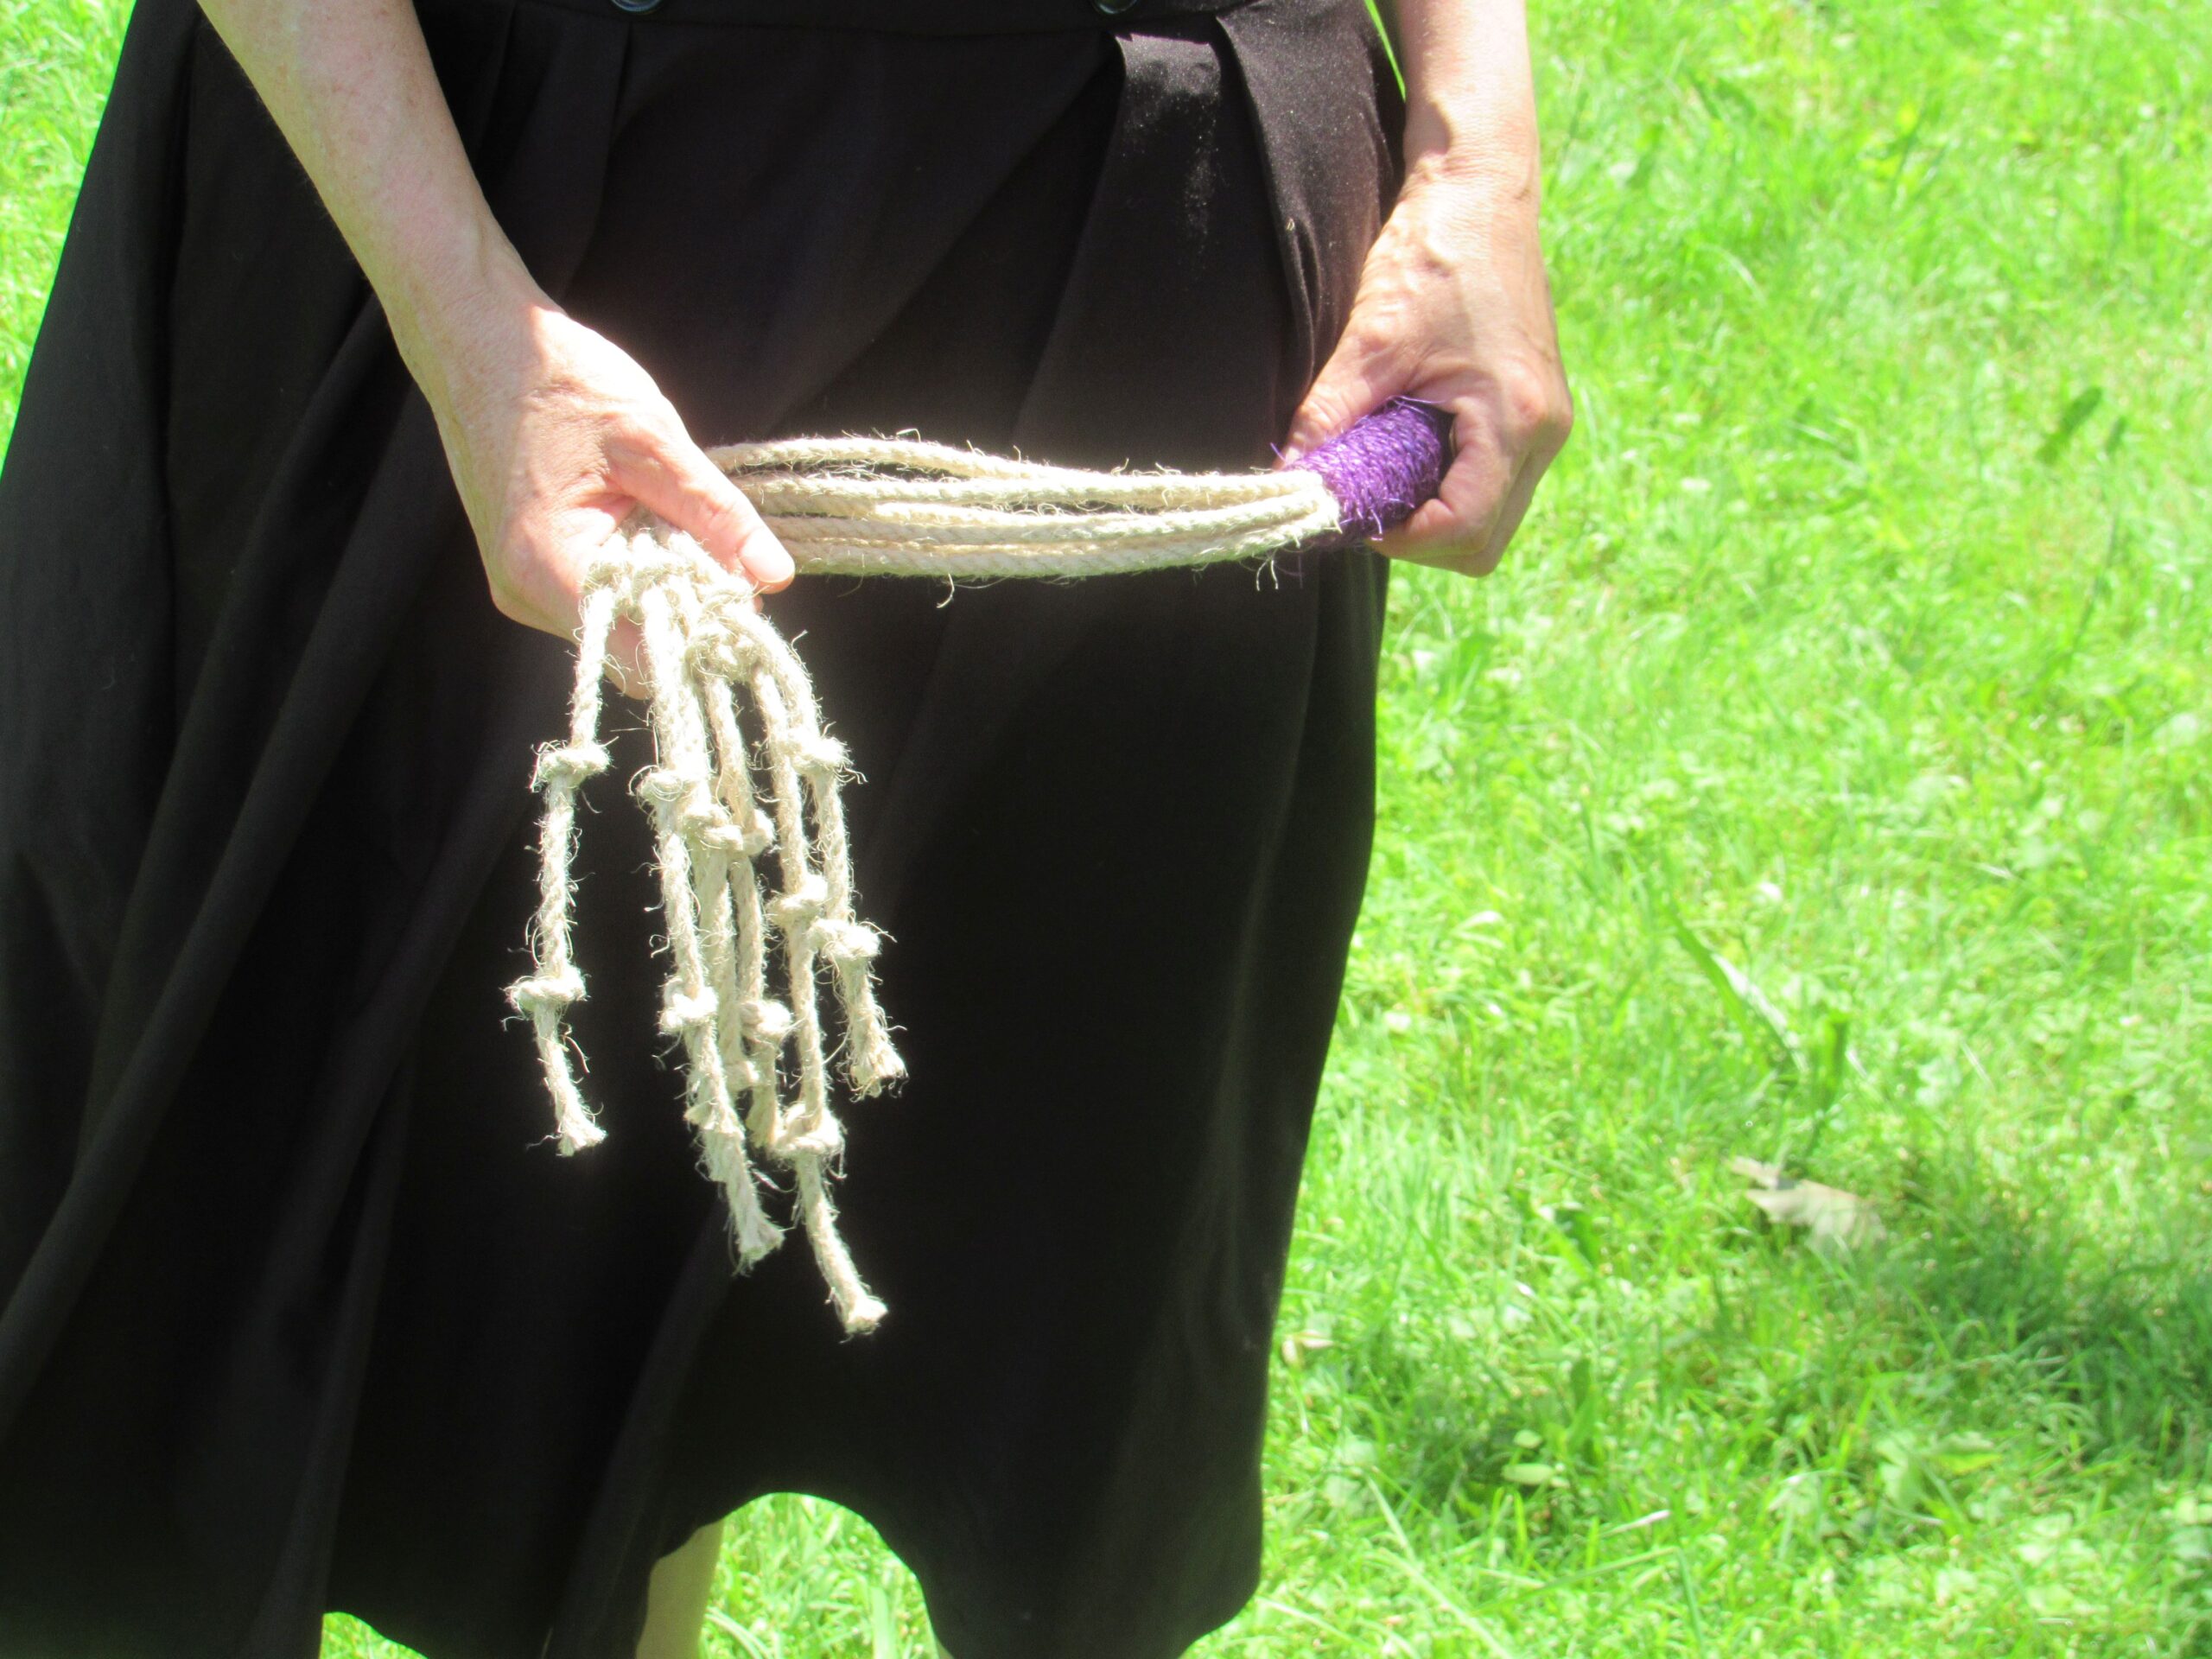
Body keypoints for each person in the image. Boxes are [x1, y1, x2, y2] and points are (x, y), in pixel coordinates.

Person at [0, 0, 1569, 1653]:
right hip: (481, 173)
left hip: (1159, 214)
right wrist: (465, 320)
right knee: (310, 1273)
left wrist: (1479, 157)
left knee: (992, 1262)